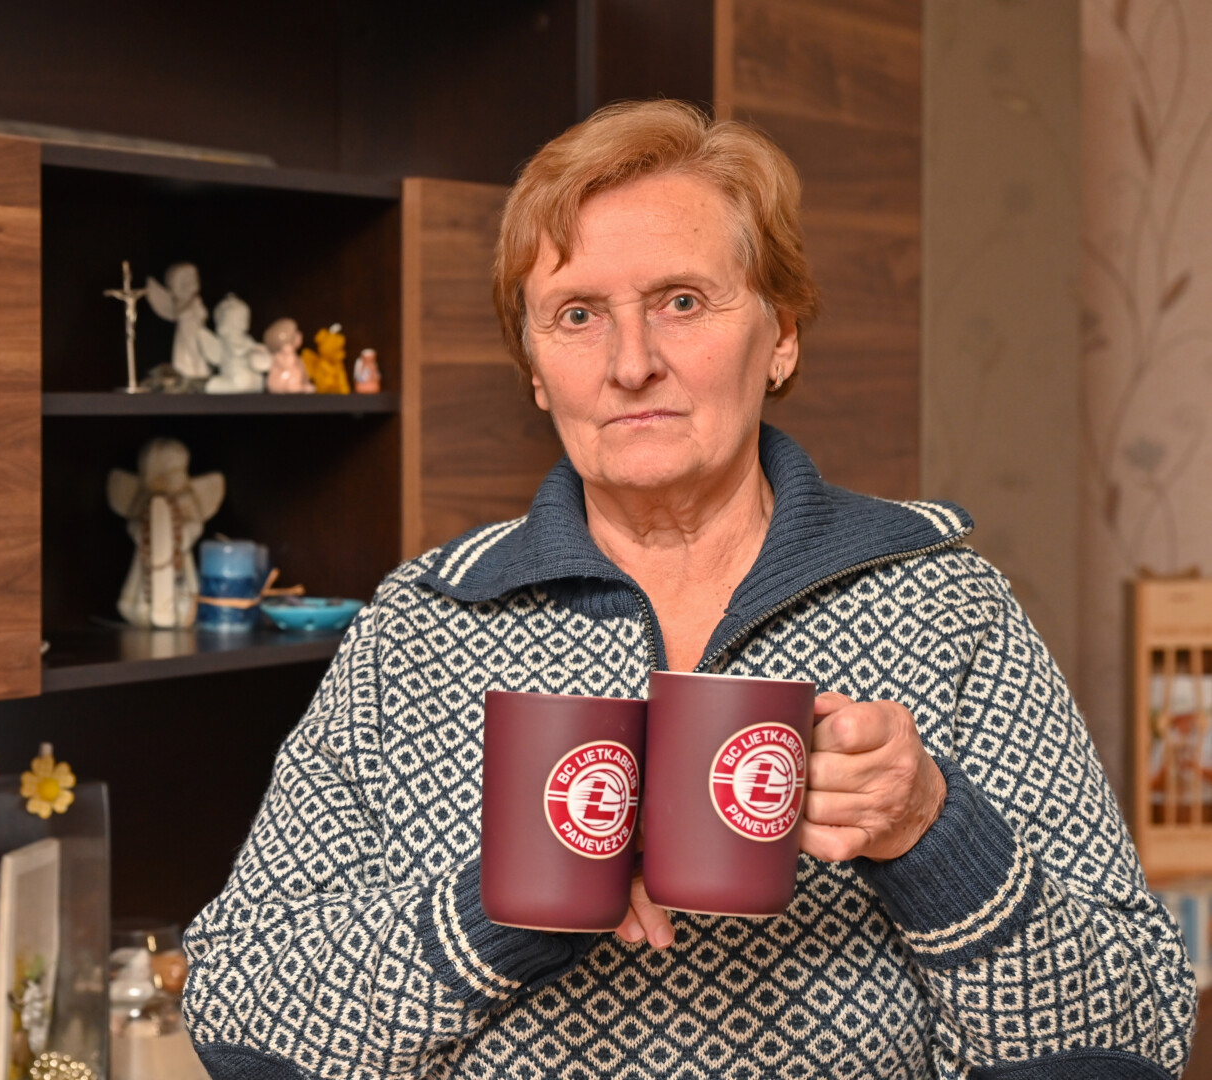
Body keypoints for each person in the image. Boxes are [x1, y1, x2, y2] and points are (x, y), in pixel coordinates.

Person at [182, 100, 1196, 1079]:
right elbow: (238, 1019)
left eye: (681, 301)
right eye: (577, 315)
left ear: (781, 334)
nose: (631, 364)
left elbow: (1137, 1037)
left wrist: (932, 831)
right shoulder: (426, 624)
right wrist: (496, 910)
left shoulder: (943, 604)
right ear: (534, 369)